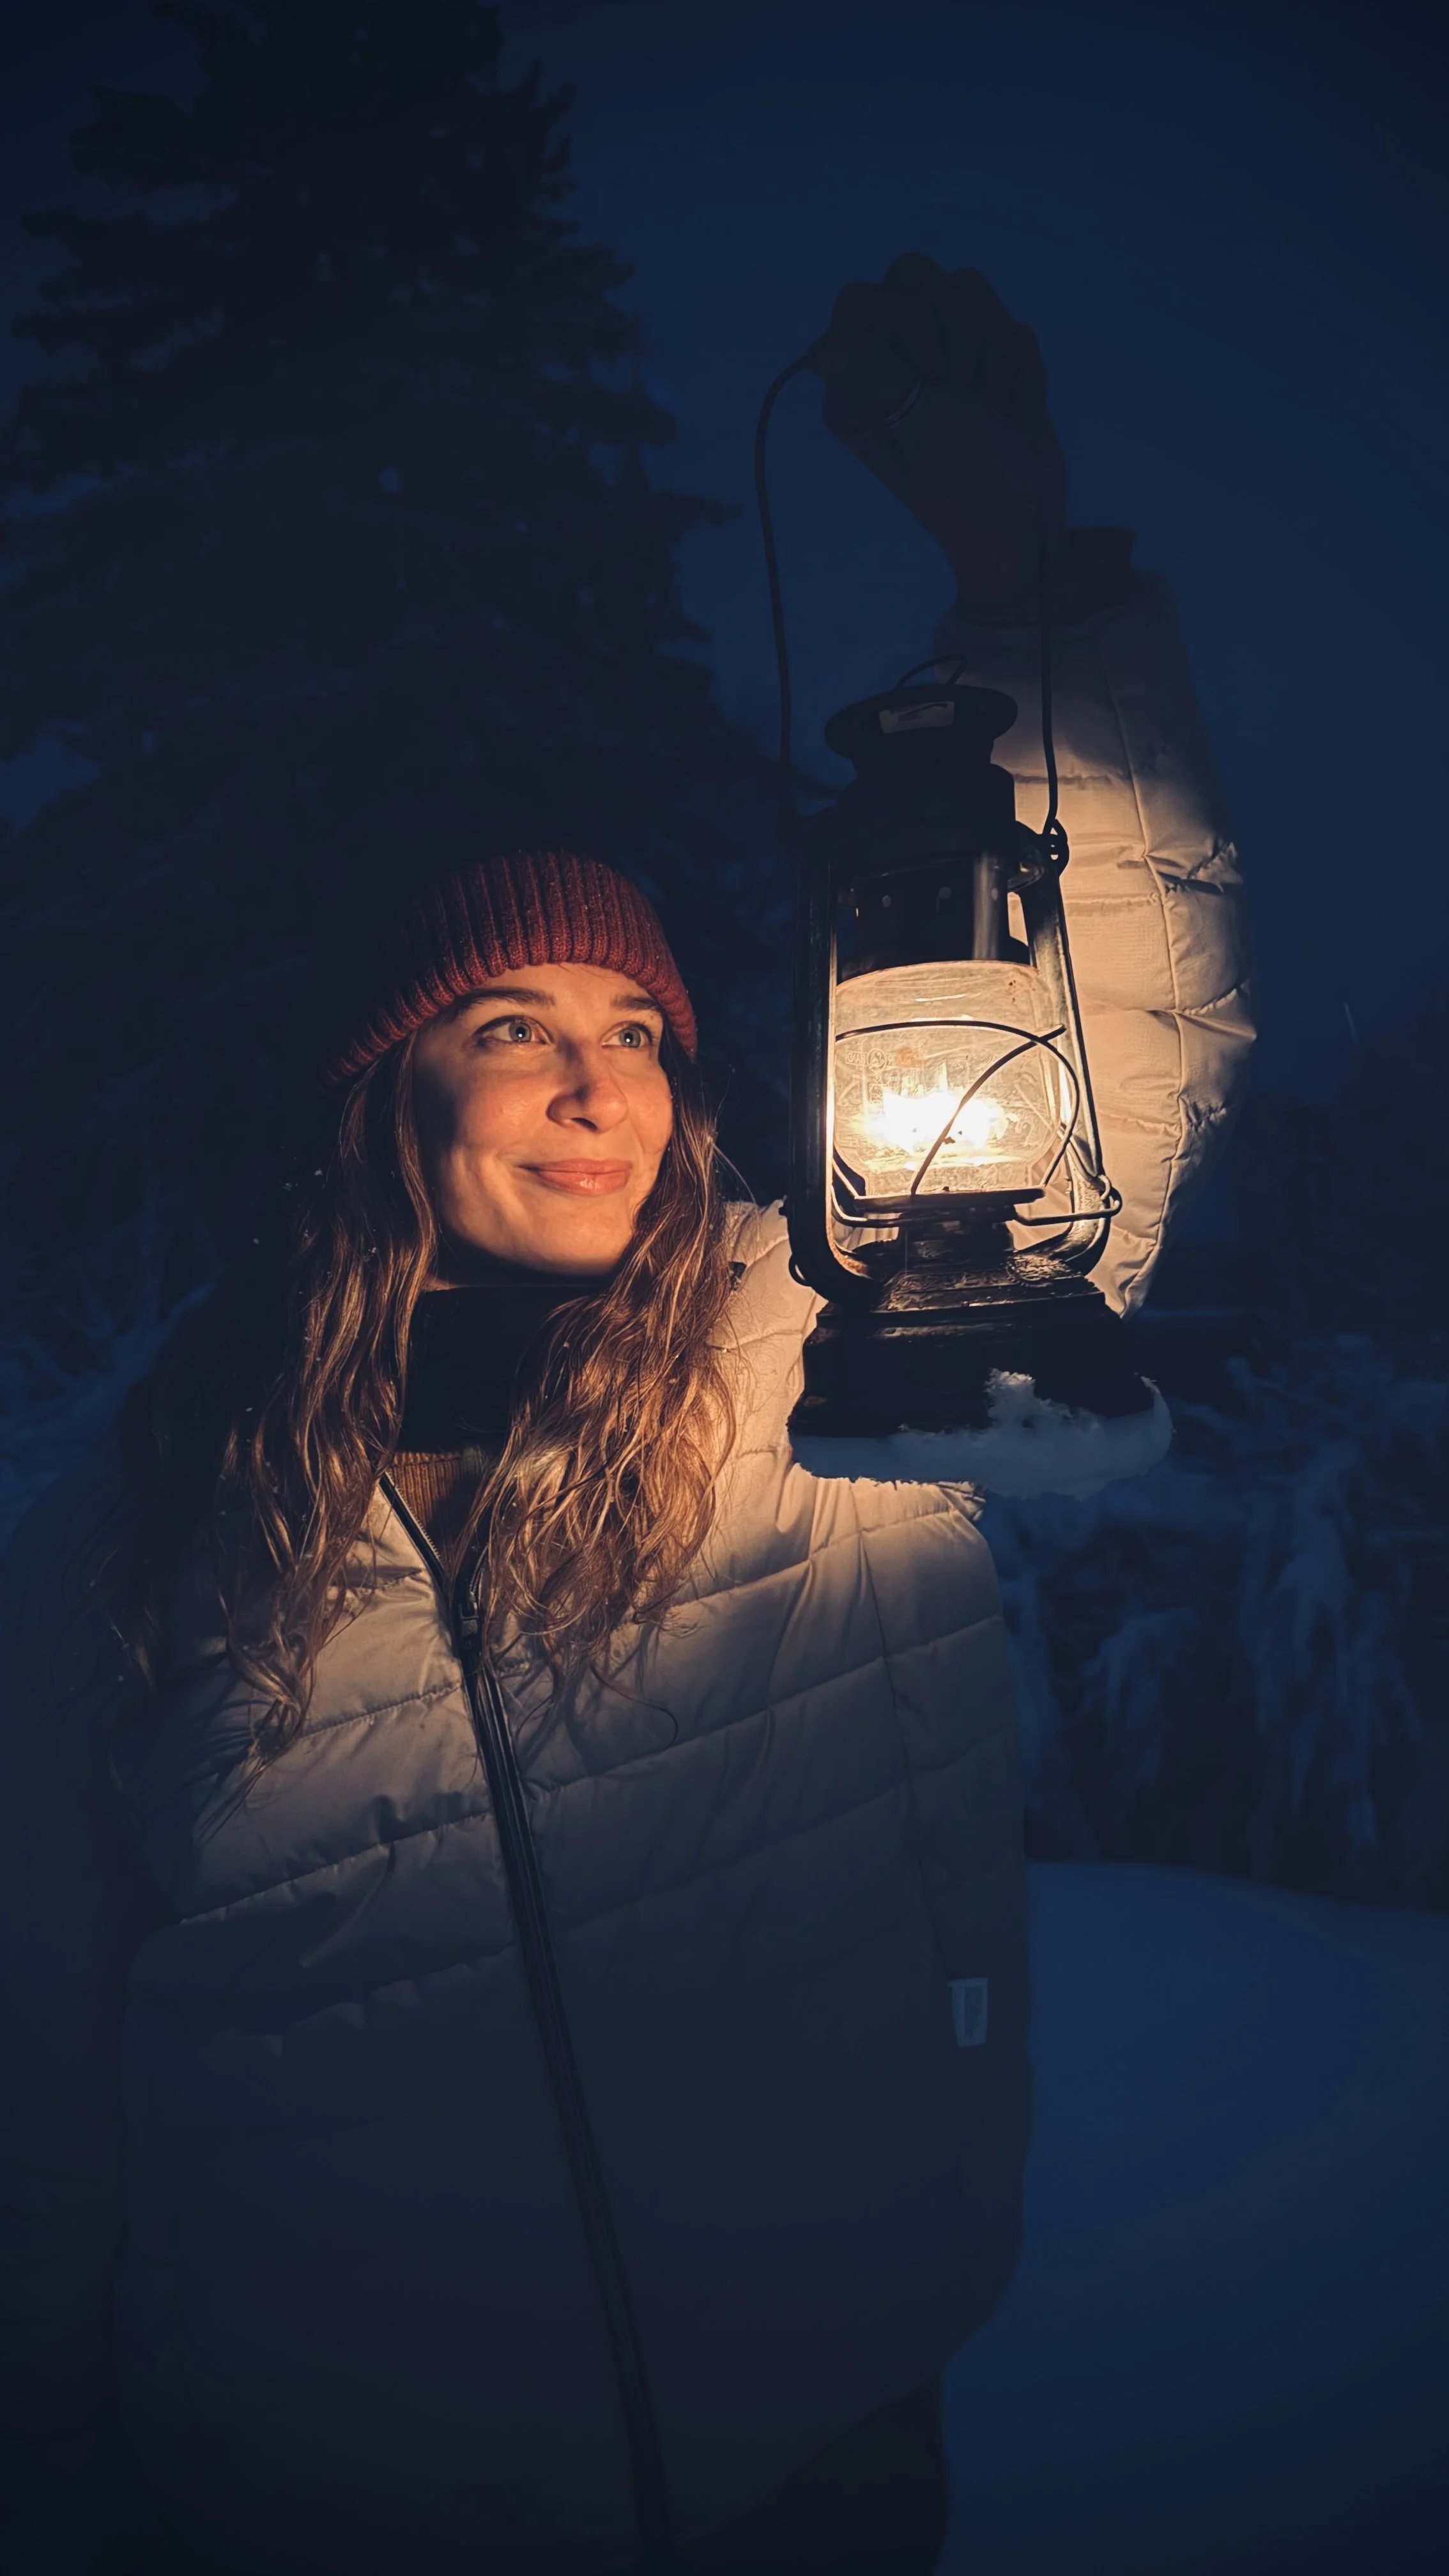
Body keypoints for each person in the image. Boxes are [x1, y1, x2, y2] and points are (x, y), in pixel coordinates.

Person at [0, 259, 1252, 2575]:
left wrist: (1021, 592)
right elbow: (42, 2084)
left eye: (643, 1026)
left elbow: (1117, 1046)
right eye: (509, 1019)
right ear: (383, 1089)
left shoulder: (825, 1358)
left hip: (815, 2453)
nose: (597, 1075)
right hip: (307, 2499)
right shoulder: (149, 1509)